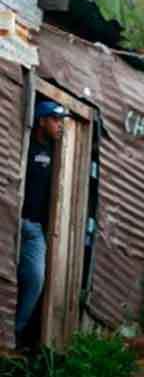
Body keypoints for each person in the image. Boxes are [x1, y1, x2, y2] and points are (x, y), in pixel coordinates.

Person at [15, 100, 69, 351]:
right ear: (41, 121)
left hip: (35, 230)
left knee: (35, 280)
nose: (60, 126)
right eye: (56, 120)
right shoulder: (23, 145)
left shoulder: (56, 153)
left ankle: (15, 333)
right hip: (12, 222)